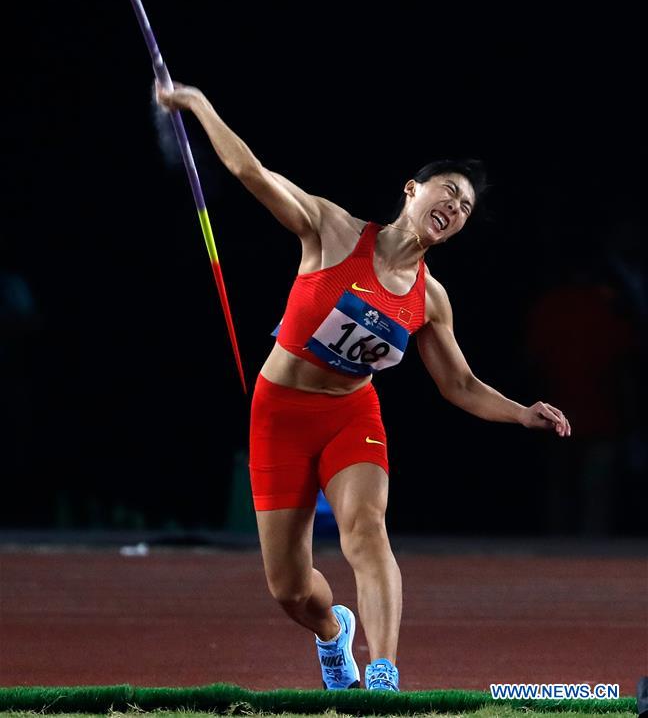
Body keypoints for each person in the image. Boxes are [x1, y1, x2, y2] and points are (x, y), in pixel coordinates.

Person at [156, 81, 571, 693]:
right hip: (279, 414)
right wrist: (196, 105)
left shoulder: (430, 300)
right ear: (413, 188)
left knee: (365, 529)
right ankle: (333, 634)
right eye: (448, 192)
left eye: (465, 210)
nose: (455, 208)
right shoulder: (332, 231)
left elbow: (459, 383)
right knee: (291, 590)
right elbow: (249, 170)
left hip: (352, 414)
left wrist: (522, 413)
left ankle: (382, 673)